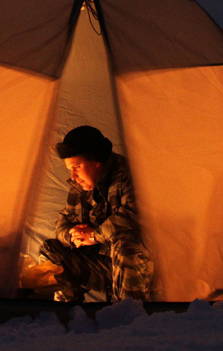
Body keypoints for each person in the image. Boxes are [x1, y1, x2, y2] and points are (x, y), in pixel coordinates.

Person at [39, 125, 152, 302]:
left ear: (96, 160)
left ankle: (129, 316)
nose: (73, 175)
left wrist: (94, 236)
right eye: (70, 169)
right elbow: (63, 221)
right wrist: (72, 235)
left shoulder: (130, 175)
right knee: (51, 250)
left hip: (139, 268)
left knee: (125, 244)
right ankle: (67, 315)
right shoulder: (80, 187)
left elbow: (135, 214)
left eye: (76, 167)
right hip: (103, 266)